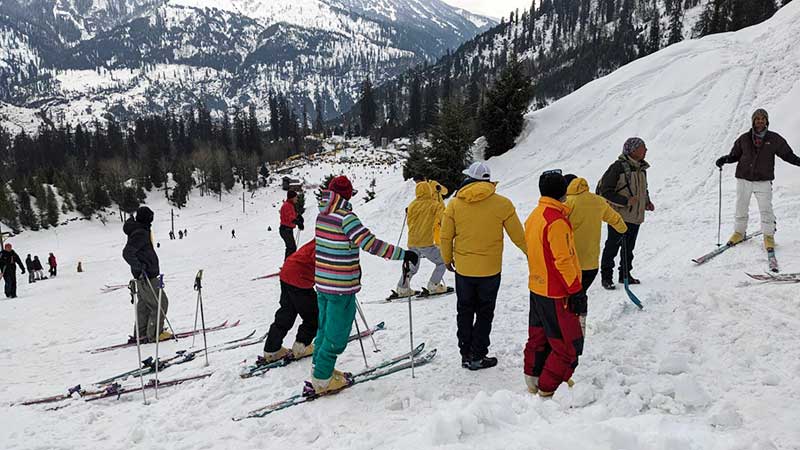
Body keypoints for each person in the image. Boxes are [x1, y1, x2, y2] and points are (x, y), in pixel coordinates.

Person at [308, 175, 417, 395]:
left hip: (323, 284)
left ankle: (320, 370)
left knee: (324, 328)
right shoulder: (346, 218)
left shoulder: (322, 215)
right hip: (341, 287)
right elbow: (371, 244)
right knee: (336, 335)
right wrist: (403, 254)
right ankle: (322, 379)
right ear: (347, 195)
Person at [440, 162, 527, 371]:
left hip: (464, 270)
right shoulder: (503, 204)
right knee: (485, 312)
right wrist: (534, 257)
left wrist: (446, 259)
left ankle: (465, 354)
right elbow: (519, 237)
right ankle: (478, 355)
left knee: (465, 310)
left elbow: (445, 236)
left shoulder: (454, 204)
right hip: (490, 270)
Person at [523, 170, 584, 397]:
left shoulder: (535, 215)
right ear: (563, 192)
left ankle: (533, 377)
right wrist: (575, 289)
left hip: (537, 286)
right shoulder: (556, 221)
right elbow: (564, 259)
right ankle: (548, 387)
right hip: (556, 292)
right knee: (566, 345)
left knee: (538, 336)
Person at [715, 108, 800, 250]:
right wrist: (725, 159)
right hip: (744, 178)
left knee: (766, 209)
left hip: (763, 180)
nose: (760, 121)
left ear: (767, 121)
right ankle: (739, 232)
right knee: (741, 208)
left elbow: (788, 155)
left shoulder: (774, 139)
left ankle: (768, 236)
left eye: (763, 119)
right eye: (757, 119)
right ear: (753, 121)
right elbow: (735, 155)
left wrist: (799, 162)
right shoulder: (744, 138)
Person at [564, 174, 627, 333]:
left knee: (568, 297)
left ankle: (568, 329)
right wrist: (623, 231)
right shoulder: (598, 201)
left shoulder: (568, 203)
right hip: (591, 265)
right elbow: (615, 219)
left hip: (571, 263)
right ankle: (580, 324)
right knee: (581, 293)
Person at [598, 137, 654, 290]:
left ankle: (625, 275)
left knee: (629, 248)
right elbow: (605, 191)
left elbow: (643, 189)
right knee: (612, 247)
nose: (646, 150)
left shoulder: (641, 168)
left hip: (635, 216)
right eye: (643, 148)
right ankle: (606, 278)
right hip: (618, 217)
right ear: (633, 150)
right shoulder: (617, 167)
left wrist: (647, 202)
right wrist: (625, 201)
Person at [262, 240, 318, 362]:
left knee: (287, 312)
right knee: (313, 316)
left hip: (287, 272)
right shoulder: (329, 243)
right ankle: (301, 346)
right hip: (299, 278)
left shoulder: (322, 236)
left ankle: (271, 349)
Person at [393, 177, 448, 297]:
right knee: (442, 261)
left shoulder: (412, 205)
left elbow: (409, 221)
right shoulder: (434, 204)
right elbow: (444, 218)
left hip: (412, 242)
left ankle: (402, 288)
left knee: (412, 267)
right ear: (429, 190)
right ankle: (434, 285)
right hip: (425, 242)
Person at [123, 206, 171, 343]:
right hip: (146, 276)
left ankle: (141, 333)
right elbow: (127, 253)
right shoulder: (140, 232)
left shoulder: (140, 230)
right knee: (161, 303)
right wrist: (141, 267)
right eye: (150, 218)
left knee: (144, 306)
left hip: (144, 276)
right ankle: (155, 334)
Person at [279, 190, 303, 259]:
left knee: (291, 248)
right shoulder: (287, 205)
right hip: (285, 230)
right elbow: (290, 217)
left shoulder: (290, 205)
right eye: (296, 197)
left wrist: (298, 217)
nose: (297, 199)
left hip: (287, 230)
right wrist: (298, 222)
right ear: (292, 198)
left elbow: (292, 215)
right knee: (291, 248)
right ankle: (287, 266)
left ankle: (287, 265)